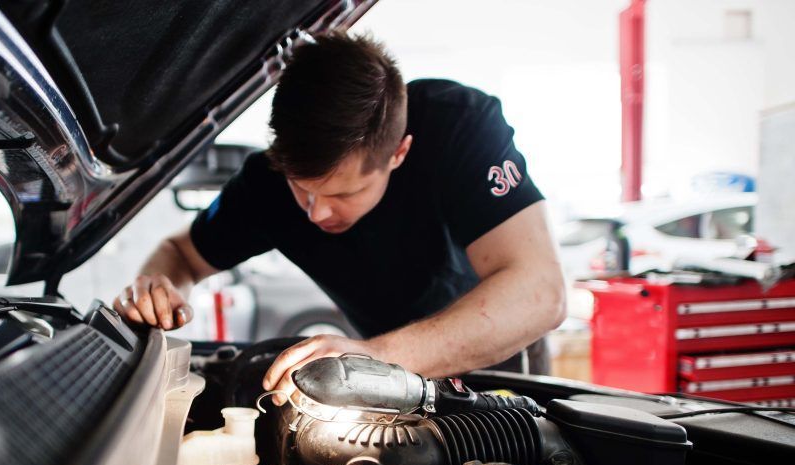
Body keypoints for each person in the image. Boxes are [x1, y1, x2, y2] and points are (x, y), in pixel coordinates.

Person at [113, 32, 565, 404]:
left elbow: (540, 294)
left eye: (344, 192)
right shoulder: (265, 186)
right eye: (302, 189)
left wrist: (372, 356)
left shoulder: (459, 128)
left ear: (399, 153)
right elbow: (181, 253)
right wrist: (155, 286)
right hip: (397, 374)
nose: (316, 211)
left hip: (503, 366)